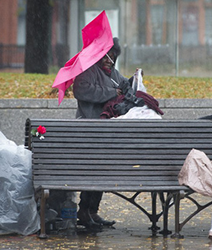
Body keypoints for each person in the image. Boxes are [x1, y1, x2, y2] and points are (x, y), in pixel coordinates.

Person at [73, 37, 135, 230]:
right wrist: (112, 92)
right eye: (106, 55)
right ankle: (84, 211)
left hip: (107, 132)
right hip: (89, 131)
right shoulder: (88, 72)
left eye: (113, 55)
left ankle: (92, 211)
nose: (109, 59)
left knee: (102, 171)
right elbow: (81, 90)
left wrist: (132, 83)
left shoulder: (114, 74)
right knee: (93, 170)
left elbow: (124, 87)